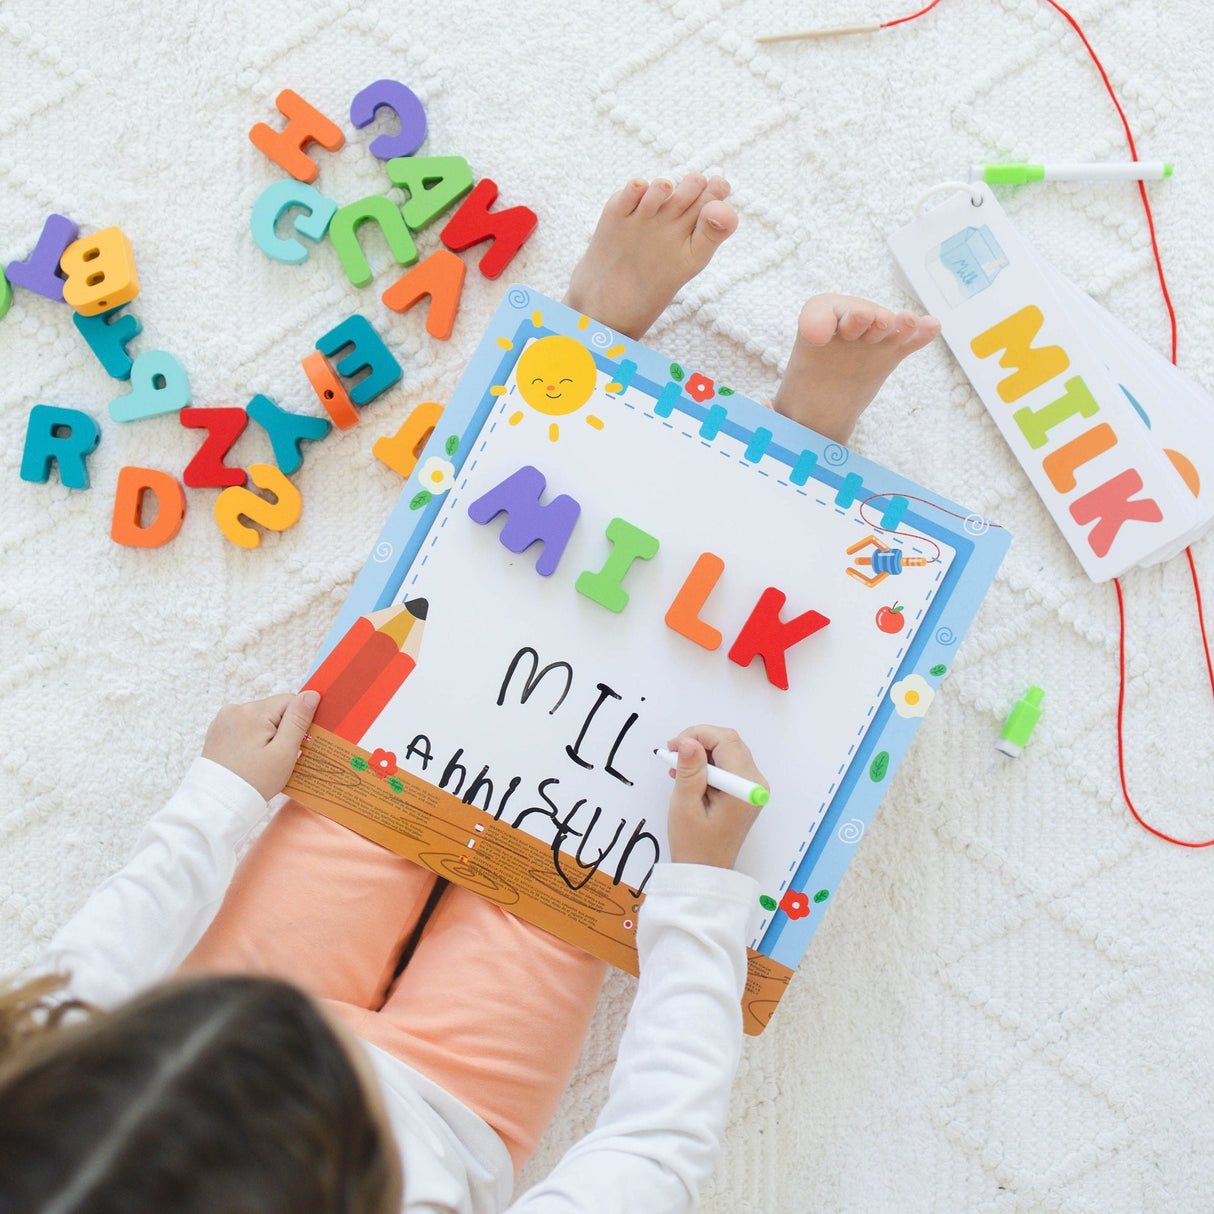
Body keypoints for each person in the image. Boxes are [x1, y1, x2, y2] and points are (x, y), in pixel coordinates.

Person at [0, 175, 940, 1214]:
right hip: (450, 1101)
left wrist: (216, 795)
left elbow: (77, 982)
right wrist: (703, 899)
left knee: (436, 701)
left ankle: (573, 363)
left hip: (238, 1007)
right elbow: (653, 1149)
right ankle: (799, 457)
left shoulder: (54, 1127)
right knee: (603, 790)